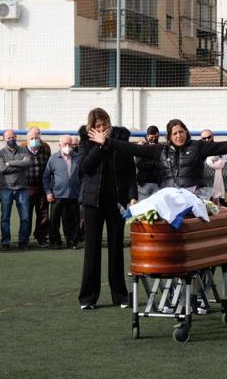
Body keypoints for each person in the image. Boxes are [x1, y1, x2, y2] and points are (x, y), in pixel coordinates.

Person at [88, 118, 227, 194]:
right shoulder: (160, 150)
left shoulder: (199, 147)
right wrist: (106, 141)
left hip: (194, 193)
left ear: (186, 133)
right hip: (168, 193)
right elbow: (130, 148)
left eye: (181, 132)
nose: (179, 136)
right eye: (174, 133)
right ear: (169, 137)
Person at [77, 107, 138, 310]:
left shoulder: (120, 140)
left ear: (109, 123)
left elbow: (130, 171)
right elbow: (85, 168)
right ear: (91, 128)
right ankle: (88, 298)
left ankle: (119, 295)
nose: (102, 129)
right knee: (92, 249)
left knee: (116, 248)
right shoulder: (86, 141)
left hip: (116, 202)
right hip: (92, 202)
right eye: (98, 126)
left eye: (105, 124)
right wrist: (100, 146)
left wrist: (132, 196)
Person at [43, 135, 81, 249]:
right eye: (65, 144)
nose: (68, 146)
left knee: (72, 220)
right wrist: (48, 192)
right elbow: (46, 177)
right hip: (57, 195)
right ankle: (55, 241)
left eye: (70, 144)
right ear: (60, 145)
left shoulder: (78, 158)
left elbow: (83, 176)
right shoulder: (53, 158)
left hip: (73, 195)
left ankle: (72, 241)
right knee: (54, 219)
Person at [0, 129, 31, 250]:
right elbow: (2, 169)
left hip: (22, 188)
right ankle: (5, 242)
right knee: (5, 217)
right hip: (6, 189)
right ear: (4, 139)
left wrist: (10, 163)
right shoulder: (0, 153)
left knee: (25, 217)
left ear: (16, 136)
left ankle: (23, 241)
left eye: (13, 137)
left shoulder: (24, 150)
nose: (11, 139)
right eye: (8, 138)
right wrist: (19, 164)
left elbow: (27, 163)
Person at [24, 127, 51, 248]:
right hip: (27, 187)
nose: (34, 140)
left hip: (42, 187)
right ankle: (24, 238)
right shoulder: (22, 150)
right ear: (27, 139)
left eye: (36, 137)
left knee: (43, 214)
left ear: (40, 137)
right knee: (26, 214)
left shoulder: (46, 149)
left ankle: (41, 237)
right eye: (31, 138)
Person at [135, 125, 161, 200]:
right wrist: (154, 164)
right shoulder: (142, 147)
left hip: (157, 183)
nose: (153, 140)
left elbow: (162, 164)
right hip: (144, 183)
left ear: (158, 136)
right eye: (151, 138)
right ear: (147, 136)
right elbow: (140, 164)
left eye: (155, 138)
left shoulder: (161, 148)